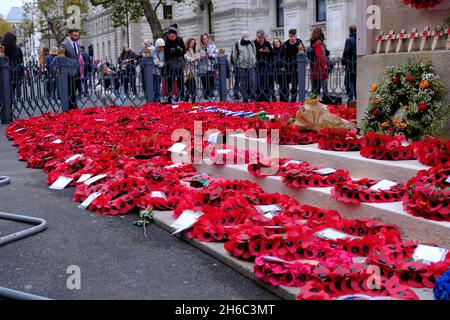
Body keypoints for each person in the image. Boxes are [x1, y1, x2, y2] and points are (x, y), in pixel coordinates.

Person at [164, 24, 186, 104]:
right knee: (170, 81)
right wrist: (177, 50)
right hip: (169, 65)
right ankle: (169, 97)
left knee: (180, 80)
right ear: (169, 35)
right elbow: (168, 53)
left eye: (175, 36)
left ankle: (182, 96)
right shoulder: (165, 41)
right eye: (172, 36)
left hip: (179, 63)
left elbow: (184, 51)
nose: (174, 38)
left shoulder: (180, 40)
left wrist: (175, 51)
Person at [232, 31, 257, 103]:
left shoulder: (252, 43)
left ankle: (252, 98)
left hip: (251, 65)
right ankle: (245, 98)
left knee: (252, 82)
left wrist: (253, 60)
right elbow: (234, 56)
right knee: (243, 83)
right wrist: (238, 63)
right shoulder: (237, 44)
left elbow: (254, 53)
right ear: (242, 37)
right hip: (242, 67)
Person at [60, 29, 82, 110]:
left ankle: (74, 106)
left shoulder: (77, 44)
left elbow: (77, 57)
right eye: (75, 35)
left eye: (77, 35)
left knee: (74, 90)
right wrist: (70, 62)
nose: (76, 37)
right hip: (68, 71)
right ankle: (71, 107)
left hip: (76, 70)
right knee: (69, 90)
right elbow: (61, 56)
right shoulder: (64, 44)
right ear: (70, 35)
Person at [282, 28, 305, 102]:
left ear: (296, 35)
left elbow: (302, 55)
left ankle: (293, 101)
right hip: (287, 67)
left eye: (294, 36)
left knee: (294, 86)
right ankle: (285, 100)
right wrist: (283, 66)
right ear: (289, 36)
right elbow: (282, 55)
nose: (292, 38)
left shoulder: (299, 43)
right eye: (291, 36)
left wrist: (301, 49)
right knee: (285, 86)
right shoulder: (285, 44)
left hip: (296, 68)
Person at [309, 27, 329, 100]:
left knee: (315, 88)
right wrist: (325, 65)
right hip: (320, 68)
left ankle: (313, 103)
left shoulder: (313, 43)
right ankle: (322, 102)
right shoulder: (318, 43)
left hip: (314, 68)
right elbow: (320, 56)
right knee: (323, 88)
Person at [254, 30, 274, 102]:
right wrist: (259, 51)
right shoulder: (254, 43)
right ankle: (258, 97)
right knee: (258, 82)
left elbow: (272, 53)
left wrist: (268, 51)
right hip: (257, 65)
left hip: (266, 65)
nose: (261, 39)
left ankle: (266, 97)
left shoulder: (267, 43)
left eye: (262, 37)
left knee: (266, 81)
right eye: (259, 37)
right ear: (256, 36)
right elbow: (253, 53)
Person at [198, 33, 218, 100]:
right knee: (205, 85)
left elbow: (217, 54)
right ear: (201, 40)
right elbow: (196, 56)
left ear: (208, 39)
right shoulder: (199, 47)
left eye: (206, 38)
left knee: (211, 84)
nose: (205, 40)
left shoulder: (212, 46)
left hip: (211, 68)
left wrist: (210, 55)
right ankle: (206, 98)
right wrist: (201, 56)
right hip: (202, 69)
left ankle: (212, 97)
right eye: (203, 39)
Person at [343, 25, 357, 101]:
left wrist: (343, 61)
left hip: (349, 64)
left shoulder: (349, 40)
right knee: (355, 81)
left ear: (350, 31)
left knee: (347, 81)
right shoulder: (358, 39)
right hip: (356, 64)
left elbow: (346, 52)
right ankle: (356, 96)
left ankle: (350, 96)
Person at [184, 37, 200, 102]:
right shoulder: (185, 50)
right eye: (191, 42)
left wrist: (197, 57)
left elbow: (198, 57)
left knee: (193, 87)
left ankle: (192, 101)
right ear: (188, 43)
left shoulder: (194, 50)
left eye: (194, 43)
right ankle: (186, 100)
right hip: (187, 71)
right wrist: (193, 59)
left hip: (193, 71)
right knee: (190, 86)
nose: (193, 44)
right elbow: (186, 57)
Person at [151, 38, 166, 103]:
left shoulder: (163, 52)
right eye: (159, 47)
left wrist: (162, 63)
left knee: (158, 86)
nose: (161, 49)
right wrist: (153, 62)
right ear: (156, 46)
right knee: (153, 87)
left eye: (162, 47)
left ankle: (157, 99)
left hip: (159, 72)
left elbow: (164, 60)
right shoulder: (151, 50)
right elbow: (146, 58)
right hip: (152, 72)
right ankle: (154, 99)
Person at [272, 38, 286, 102]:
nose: (276, 43)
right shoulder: (273, 51)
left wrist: (284, 66)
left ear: (280, 42)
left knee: (284, 87)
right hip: (276, 71)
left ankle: (284, 100)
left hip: (284, 70)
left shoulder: (284, 49)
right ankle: (279, 100)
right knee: (279, 86)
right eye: (275, 42)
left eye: (277, 41)